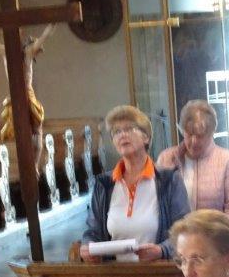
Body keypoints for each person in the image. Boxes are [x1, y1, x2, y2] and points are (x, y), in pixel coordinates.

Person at [80, 105, 189, 263]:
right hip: (114, 273)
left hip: (158, 271)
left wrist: (162, 250)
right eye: (116, 132)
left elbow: (185, 231)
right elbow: (93, 231)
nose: (122, 135)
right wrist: (87, 246)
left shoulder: (169, 180)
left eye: (129, 129)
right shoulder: (104, 184)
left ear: (146, 137)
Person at [0, 25, 55, 173]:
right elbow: (44, 37)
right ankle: (31, 166)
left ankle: (33, 165)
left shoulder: (14, 51)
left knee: (33, 130)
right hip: (21, 95)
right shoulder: (22, 51)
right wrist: (52, 24)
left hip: (21, 95)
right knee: (31, 131)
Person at [157, 100, 229, 226]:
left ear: (212, 133)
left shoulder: (227, 160)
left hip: (214, 235)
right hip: (175, 236)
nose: (194, 141)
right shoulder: (166, 158)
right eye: (189, 134)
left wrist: (214, 233)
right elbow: (158, 205)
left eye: (200, 136)